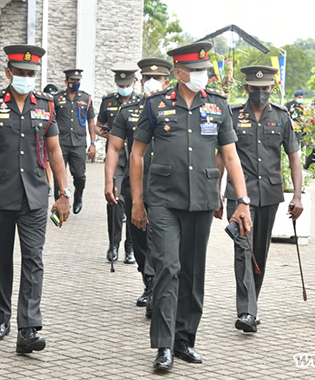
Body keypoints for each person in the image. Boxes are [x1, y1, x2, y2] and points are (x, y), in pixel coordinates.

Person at [129, 42, 252, 371]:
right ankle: (164, 345)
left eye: (205, 70)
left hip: (201, 200)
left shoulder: (218, 106)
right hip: (163, 200)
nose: (203, 75)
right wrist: (138, 202)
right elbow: (137, 153)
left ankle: (185, 340)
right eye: (196, 70)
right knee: (167, 268)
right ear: (179, 72)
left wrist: (242, 200)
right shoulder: (156, 105)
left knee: (193, 271)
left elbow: (230, 155)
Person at [0, 44, 71, 354]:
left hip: (35, 196)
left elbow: (55, 152)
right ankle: (0, 319)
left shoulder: (47, 107)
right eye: (20, 73)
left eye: (31, 74)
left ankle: (28, 327)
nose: (25, 78)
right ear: (8, 72)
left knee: (33, 259)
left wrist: (63, 194)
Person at [215, 65, 303, 333]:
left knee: (259, 253)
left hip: (270, 195)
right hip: (239, 195)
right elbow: (222, 156)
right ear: (246, 89)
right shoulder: (231, 116)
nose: (260, 94)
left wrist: (297, 196)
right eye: (255, 89)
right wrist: (215, 194)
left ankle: (252, 305)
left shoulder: (282, 116)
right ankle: (247, 311)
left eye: (265, 89)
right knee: (243, 249)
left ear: (272, 89)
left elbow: (294, 157)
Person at [105, 58, 171, 317]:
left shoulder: (175, 108)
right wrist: (110, 179)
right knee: (140, 240)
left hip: (167, 188)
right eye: (147, 78)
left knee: (163, 241)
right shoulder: (130, 110)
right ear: (140, 81)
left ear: (168, 81)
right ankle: (148, 281)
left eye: (159, 79)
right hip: (136, 187)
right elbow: (114, 146)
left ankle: (158, 289)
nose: (153, 83)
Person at [97, 66, 140, 264]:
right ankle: (113, 245)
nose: (124, 87)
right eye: (120, 84)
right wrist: (102, 132)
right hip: (116, 157)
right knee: (115, 201)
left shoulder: (142, 103)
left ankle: (130, 247)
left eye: (127, 84)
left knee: (132, 202)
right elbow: (98, 124)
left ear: (134, 82)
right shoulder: (108, 101)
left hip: (134, 158)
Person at [53, 69, 97, 213]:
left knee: (79, 175)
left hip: (78, 143)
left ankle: (78, 198)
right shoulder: (57, 99)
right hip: (60, 143)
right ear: (66, 82)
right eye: (73, 81)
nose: (75, 83)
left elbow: (91, 121)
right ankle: (58, 204)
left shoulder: (86, 98)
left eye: (78, 81)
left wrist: (93, 143)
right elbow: (52, 121)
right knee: (58, 175)